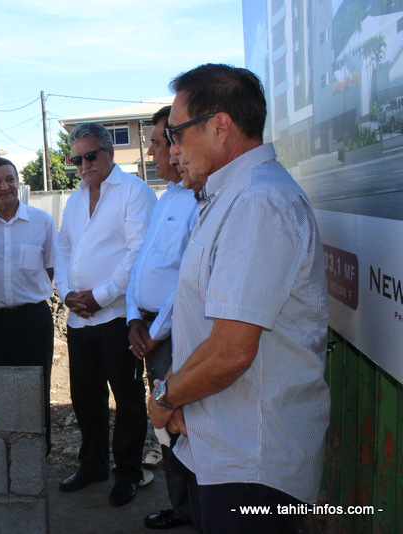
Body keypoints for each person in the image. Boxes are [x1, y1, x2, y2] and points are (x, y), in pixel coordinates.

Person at [149, 63, 330, 533]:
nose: (172, 152)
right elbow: (205, 328)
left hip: (253, 464)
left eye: (176, 134)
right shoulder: (231, 198)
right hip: (228, 450)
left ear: (220, 126)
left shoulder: (257, 203)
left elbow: (231, 351)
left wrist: (167, 400)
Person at [55, 122, 157, 507]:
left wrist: (100, 296)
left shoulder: (134, 193)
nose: (84, 164)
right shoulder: (75, 199)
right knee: (85, 398)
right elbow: (63, 249)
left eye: (91, 155)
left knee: (128, 400)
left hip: (117, 318)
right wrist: (67, 293)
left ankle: (128, 473)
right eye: (76, 158)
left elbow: (138, 253)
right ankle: (93, 465)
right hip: (80, 319)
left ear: (109, 152)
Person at [126, 106, 198, 530]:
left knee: (181, 420)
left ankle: (195, 509)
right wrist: (134, 318)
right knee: (166, 424)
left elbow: (184, 284)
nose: (150, 153)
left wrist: (153, 332)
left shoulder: (199, 201)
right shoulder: (166, 197)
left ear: (175, 146)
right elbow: (142, 266)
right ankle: (182, 506)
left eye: (155, 143)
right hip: (148, 331)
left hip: (172, 334)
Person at [0, 157, 57, 451]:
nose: (4, 186)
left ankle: (37, 455)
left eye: (9, 179)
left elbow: (50, 268)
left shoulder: (42, 221)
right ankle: (3, 456)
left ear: (18, 181)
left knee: (36, 390)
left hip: (32, 320)